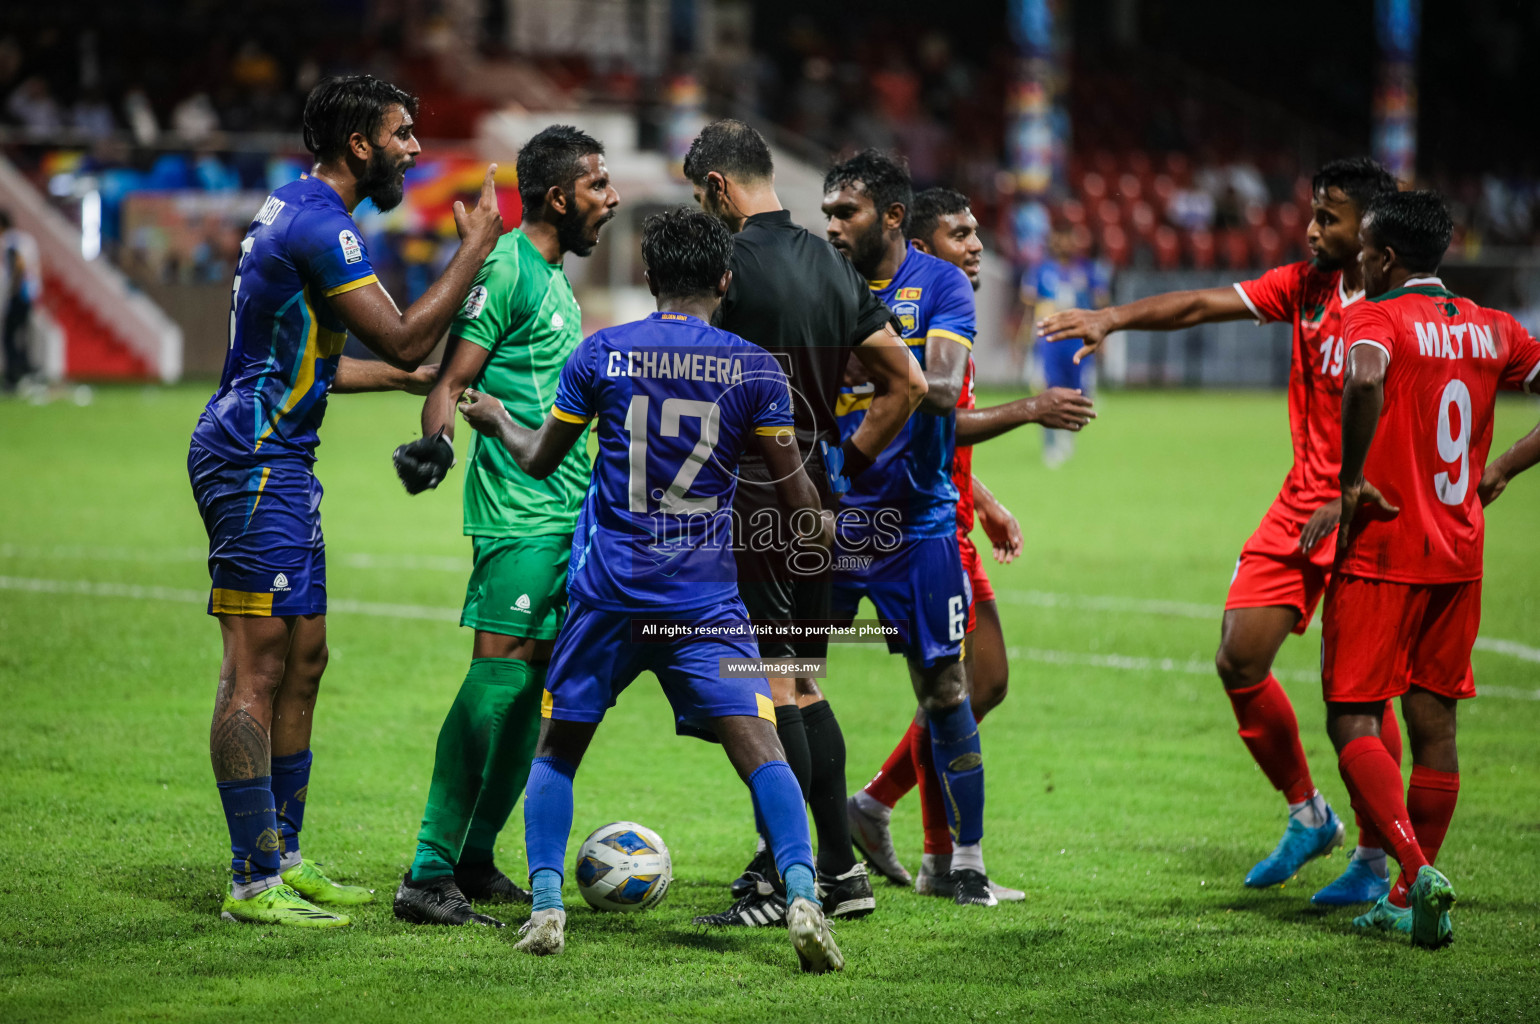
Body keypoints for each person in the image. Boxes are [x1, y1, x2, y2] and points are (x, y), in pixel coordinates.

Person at [456, 208, 844, 973]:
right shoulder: (756, 369)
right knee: (761, 750)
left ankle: (544, 907)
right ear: (725, 282)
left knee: (558, 748)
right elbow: (802, 511)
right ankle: (801, 893)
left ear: (646, 276)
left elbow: (539, 459)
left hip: (609, 593)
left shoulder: (602, 354)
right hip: (702, 601)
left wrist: (498, 419)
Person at [1037, 158, 1402, 903]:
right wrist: (1112, 317)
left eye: (1327, 218)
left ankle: (1375, 859)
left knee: (1363, 700)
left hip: (1376, 511)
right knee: (1239, 656)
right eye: (1312, 213)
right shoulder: (1304, 287)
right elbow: (1201, 304)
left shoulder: (1404, 305)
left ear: (1368, 227)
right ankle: (1310, 815)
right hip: (1303, 501)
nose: (1309, 229)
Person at [186, 75, 502, 927]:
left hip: (281, 458)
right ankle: (252, 879)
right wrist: (472, 248)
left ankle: (284, 855)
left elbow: (311, 360)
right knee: (254, 664)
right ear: (359, 144)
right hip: (254, 461)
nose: (413, 148)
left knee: (306, 658)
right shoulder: (323, 223)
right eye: (403, 134)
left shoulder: (296, 210)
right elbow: (403, 332)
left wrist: (405, 380)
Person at [682, 119, 926, 927]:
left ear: (717, 188)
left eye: (699, 195)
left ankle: (796, 875)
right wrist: (844, 457)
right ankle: (837, 871)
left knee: (766, 685)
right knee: (802, 678)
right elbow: (908, 383)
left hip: (750, 492)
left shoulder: (726, 267)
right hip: (813, 489)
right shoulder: (833, 261)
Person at [389, 125, 618, 928]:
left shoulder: (555, 280)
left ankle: (477, 856)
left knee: (536, 695)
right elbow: (452, 378)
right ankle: (426, 869)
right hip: (519, 517)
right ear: (558, 196)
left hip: (569, 517)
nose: (612, 198)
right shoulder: (510, 266)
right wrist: (438, 443)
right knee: (497, 679)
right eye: (598, 185)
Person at [847, 187, 1094, 899]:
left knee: (978, 685)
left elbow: (938, 426)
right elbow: (931, 413)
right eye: (961, 234)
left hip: (951, 519)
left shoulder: (946, 310)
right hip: (922, 530)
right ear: (921, 247)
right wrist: (1032, 409)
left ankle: (877, 807)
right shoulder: (910, 316)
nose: (977, 245)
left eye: (977, 231)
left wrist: (983, 498)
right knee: (954, 688)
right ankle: (941, 858)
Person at [1328, 189, 1540, 947]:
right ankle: (1407, 897)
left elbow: (1362, 378)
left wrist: (1352, 482)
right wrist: (1506, 466)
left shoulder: (1375, 316)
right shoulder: (1494, 327)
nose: (1356, 262)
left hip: (1385, 548)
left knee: (1352, 715)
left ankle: (1415, 870)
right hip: (1460, 549)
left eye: (1363, 253)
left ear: (1385, 256)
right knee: (1435, 722)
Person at [818, 150, 999, 905]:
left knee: (947, 686)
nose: (830, 226)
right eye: (826, 213)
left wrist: (881, 371)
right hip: (825, 521)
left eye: (845, 212)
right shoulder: (818, 281)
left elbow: (947, 386)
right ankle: (788, 853)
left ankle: (966, 863)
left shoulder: (941, 284)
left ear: (892, 217)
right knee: (790, 681)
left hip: (915, 525)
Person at [1021, 225, 1109, 466]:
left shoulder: (1088, 270)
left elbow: (1101, 303)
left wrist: (1103, 338)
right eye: (1058, 239)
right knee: (1048, 391)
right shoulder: (1039, 270)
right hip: (1050, 341)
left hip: (1079, 341)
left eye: (1068, 239)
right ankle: (1050, 444)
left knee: (1078, 393)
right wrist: (1023, 339)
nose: (1063, 244)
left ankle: (1068, 436)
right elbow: (1029, 308)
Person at [0, 209, 41, 391]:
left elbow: (18, 264)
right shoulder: (26, 239)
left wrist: (13, 290)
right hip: (28, 294)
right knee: (20, 335)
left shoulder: (10, 240)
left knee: (10, 336)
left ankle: (15, 376)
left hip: (19, 294)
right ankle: (25, 371)